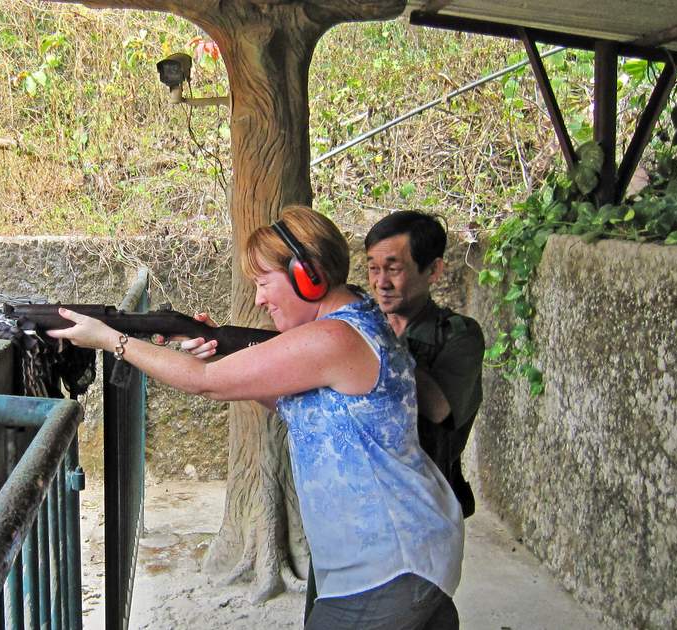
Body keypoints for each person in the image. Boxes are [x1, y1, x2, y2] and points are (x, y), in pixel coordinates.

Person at [49, 205, 464, 629]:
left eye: (264, 283)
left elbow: (206, 382)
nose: (260, 299)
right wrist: (219, 346)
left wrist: (111, 340)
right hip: (406, 548)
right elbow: (296, 405)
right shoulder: (354, 315)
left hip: (391, 562)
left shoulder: (334, 337)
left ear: (309, 274)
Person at [364, 211, 485, 519]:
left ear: (433, 270)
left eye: (393, 269)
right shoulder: (362, 325)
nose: (381, 283)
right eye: (373, 269)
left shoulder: (459, 335)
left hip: (421, 507)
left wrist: (378, 341)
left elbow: (438, 409)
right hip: (359, 500)